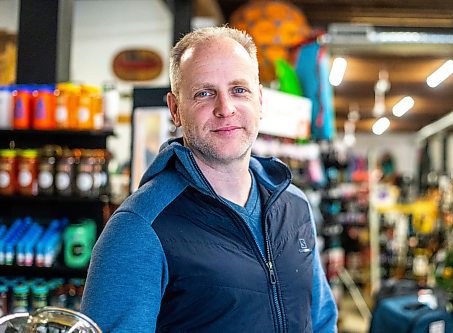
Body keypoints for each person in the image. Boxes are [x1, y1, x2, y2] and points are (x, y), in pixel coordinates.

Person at [81, 26, 338, 332]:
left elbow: (321, 321)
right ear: (175, 110)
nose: (225, 108)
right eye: (204, 93)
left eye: (239, 90)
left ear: (259, 99)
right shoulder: (139, 227)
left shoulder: (294, 205)